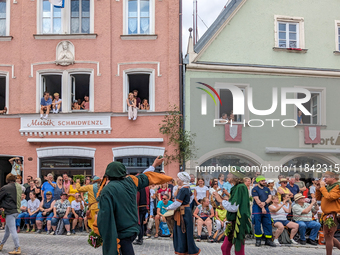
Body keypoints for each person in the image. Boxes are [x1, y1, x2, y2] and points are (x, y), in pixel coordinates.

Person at [96, 156, 173, 255]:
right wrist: (154, 165)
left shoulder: (108, 190)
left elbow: (105, 216)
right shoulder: (131, 182)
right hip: (132, 227)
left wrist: (101, 232)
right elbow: (146, 176)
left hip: (120, 230)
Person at [213, 171, 251, 255]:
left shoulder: (240, 187)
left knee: (238, 250)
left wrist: (220, 201)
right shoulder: (236, 187)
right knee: (225, 248)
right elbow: (234, 202)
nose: (228, 175)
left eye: (230, 174)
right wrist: (224, 199)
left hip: (238, 223)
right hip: (232, 223)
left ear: (235, 176)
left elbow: (234, 207)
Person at [164, 172, 201, 254]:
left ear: (181, 179)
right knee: (185, 230)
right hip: (186, 210)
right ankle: (186, 249)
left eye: (178, 178)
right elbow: (191, 198)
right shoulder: (187, 188)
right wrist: (186, 204)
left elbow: (177, 203)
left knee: (182, 230)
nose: (177, 179)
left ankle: (182, 250)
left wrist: (168, 208)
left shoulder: (183, 189)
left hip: (183, 212)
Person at [315, 171, 340, 255]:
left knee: (328, 236)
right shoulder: (328, 187)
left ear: (333, 178)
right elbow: (318, 198)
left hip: (333, 214)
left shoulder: (337, 186)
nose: (324, 179)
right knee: (329, 236)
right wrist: (318, 188)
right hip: (326, 215)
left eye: (326, 177)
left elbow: (330, 197)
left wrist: (322, 187)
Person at [0, 174, 22, 255]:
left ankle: (17, 248)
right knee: (7, 230)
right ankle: (1, 244)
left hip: (10, 211)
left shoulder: (5, 188)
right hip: (17, 210)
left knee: (13, 230)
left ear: (7, 180)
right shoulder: (19, 187)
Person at [252, 175, 276, 247]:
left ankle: (268, 240)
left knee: (268, 223)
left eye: (264, 180)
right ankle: (258, 240)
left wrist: (265, 203)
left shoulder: (267, 189)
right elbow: (256, 199)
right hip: (257, 208)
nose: (264, 182)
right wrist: (262, 208)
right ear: (259, 181)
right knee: (257, 224)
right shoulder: (255, 189)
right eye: (262, 181)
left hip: (266, 206)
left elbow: (270, 197)